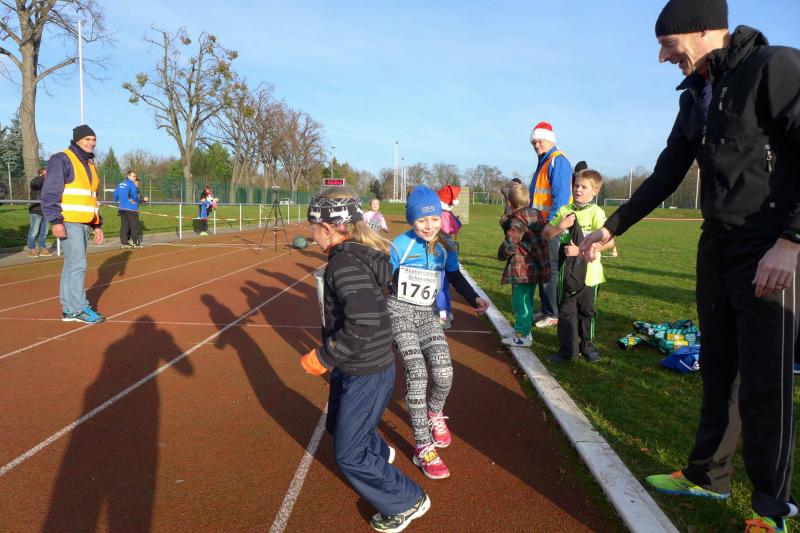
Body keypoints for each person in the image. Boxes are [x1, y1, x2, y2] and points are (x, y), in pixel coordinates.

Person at [579, 1, 800, 530]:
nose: (662, 57)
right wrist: (614, 226)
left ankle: (773, 509)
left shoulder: (773, 66)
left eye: (667, 44)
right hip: (716, 247)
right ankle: (707, 476)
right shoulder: (696, 94)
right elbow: (666, 172)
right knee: (717, 369)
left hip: (770, 249)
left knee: (764, 384)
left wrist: (791, 240)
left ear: (702, 30)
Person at [299, 186, 430, 532]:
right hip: (357, 365)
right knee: (337, 424)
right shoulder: (352, 255)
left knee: (348, 454)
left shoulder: (343, 265)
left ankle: (407, 500)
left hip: (366, 371)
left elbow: (364, 322)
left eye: (313, 227)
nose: (311, 234)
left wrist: (323, 357)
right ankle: (379, 454)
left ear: (328, 228)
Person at [388, 186, 489, 479]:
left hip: (428, 315)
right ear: (412, 220)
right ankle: (423, 446)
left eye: (433, 219)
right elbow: (381, 277)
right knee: (417, 372)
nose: (429, 225)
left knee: (444, 372)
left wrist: (474, 298)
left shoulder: (446, 246)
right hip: (400, 313)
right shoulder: (399, 246)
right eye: (422, 220)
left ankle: (434, 413)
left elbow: (454, 276)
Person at [544, 169, 614, 363]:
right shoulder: (564, 210)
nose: (578, 190)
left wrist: (581, 251)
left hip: (590, 274)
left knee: (586, 311)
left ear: (595, 192)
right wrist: (561, 226)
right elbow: (546, 234)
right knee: (566, 312)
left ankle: (587, 346)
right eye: (576, 186)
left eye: (584, 187)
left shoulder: (596, 212)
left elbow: (610, 242)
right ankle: (568, 350)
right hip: (566, 274)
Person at [41, 124, 105, 324]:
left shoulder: (89, 164)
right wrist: (55, 220)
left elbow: (91, 198)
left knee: (72, 265)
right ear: (77, 140)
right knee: (77, 265)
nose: (91, 143)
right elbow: (50, 192)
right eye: (87, 139)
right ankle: (77, 308)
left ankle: (70, 309)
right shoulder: (62, 159)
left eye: (94, 139)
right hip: (68, 220)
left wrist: (97, 224)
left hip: (84, 222)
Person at [528, 121, 572, 329]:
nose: (536, 145)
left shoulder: (557, 161)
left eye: (540, 141)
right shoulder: (544, 161)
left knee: (549, 270)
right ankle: (546, 309)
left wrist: (552, 226)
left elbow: (561, 199)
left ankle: (553, 313)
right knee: (543, 270)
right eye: (534, 142)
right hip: (539, 226)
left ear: (550, 140)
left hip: (549, 227)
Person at [498, 181, 550, 347]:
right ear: (528, 201)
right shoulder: (538, 215)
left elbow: (510, 244)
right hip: (535, 266)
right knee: (526, 300)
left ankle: (522, 336)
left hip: (522, 267)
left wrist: (501, 254)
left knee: (520, 302)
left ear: (509, 203)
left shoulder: (517, 221)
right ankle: (522, 331)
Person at [435, 184, 463, 328]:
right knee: (444, 286)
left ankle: (443, 316)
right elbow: (457, 226)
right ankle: (448, 312)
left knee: (439, 286)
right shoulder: (448, 215)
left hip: (440, 250)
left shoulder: (439, 215)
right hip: (449, 248)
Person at [113, 170, 148, 249]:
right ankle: (135, 243)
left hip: (122, 208)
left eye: (135, 176)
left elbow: (115, 194)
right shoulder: (131, 184)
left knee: (124, 226)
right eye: (134, 176)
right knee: (134, 226)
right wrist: (142, 199)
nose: (135, 178)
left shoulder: (121, 184)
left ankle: (124, 243)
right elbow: (134, 197)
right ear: (129, 176)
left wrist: (116, 200)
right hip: (131, 209)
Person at [27, 168, 52, 258]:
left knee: (44, 232)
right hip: (36, 210)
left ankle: (42, 248)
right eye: (46, 173)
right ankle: (32, 249)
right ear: (41, 174)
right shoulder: (36, 180)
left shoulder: (47, 183)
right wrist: (43, 177)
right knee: (34, 232)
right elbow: (35, 184)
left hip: (46, 210)